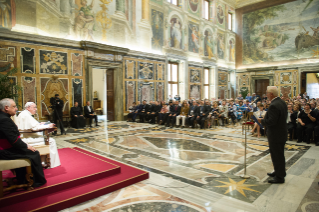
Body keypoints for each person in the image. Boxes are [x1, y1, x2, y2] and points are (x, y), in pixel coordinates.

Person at [0, 98, 47, 187]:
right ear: (6, 107)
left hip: (6, 148)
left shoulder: (2, 117)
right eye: (14, 106)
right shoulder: (4, 120)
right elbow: (14, 140)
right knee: (34, 153)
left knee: (28, 151)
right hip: (4, 151)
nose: (16, 108)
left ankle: (22, 179)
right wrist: (26, 146)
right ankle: (36, 181)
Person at [17, 102, 61, 168]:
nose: (36, 109)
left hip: (27, 135)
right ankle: (50, 163)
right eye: (34, 107)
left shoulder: (25, 113)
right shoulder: (26, 115)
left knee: (49, 139)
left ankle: (43, 162)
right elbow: (34, 128)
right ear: (28, 108)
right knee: (51, 141)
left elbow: (32, 125)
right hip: (28, 138)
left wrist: (40, 123)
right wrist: (48, 125)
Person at [258, 86, 287, 184]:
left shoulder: (274, 105)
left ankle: (279, 177)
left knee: (277, 155)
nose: (266, 95)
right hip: (281, 132)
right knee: (279, 154)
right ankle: (278, 172)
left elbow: (271, 121)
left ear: (271, 94)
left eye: (267, 93)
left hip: (276, 134)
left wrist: (261, 120)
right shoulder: (282, 102)